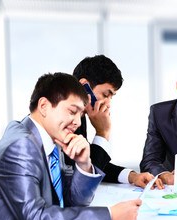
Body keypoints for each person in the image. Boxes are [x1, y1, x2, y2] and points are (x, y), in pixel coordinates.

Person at [0, 73, 141, 220]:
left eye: (80, 114)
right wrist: (110, 215)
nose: (78, 122)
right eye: (72, 111)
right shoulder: (21, 146)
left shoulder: (50, 139)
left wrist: (84, 164)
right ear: (44, 106)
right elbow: (36, 219)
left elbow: (71, 202)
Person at [66, 55, 162, 189]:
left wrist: (132, 176)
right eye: (106, 95)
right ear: (84, 86)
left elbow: (90, 162)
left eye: (111, 97)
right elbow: (87, 178)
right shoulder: (63, 122)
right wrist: (102, 132)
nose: (108, 104)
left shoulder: (78, 118)